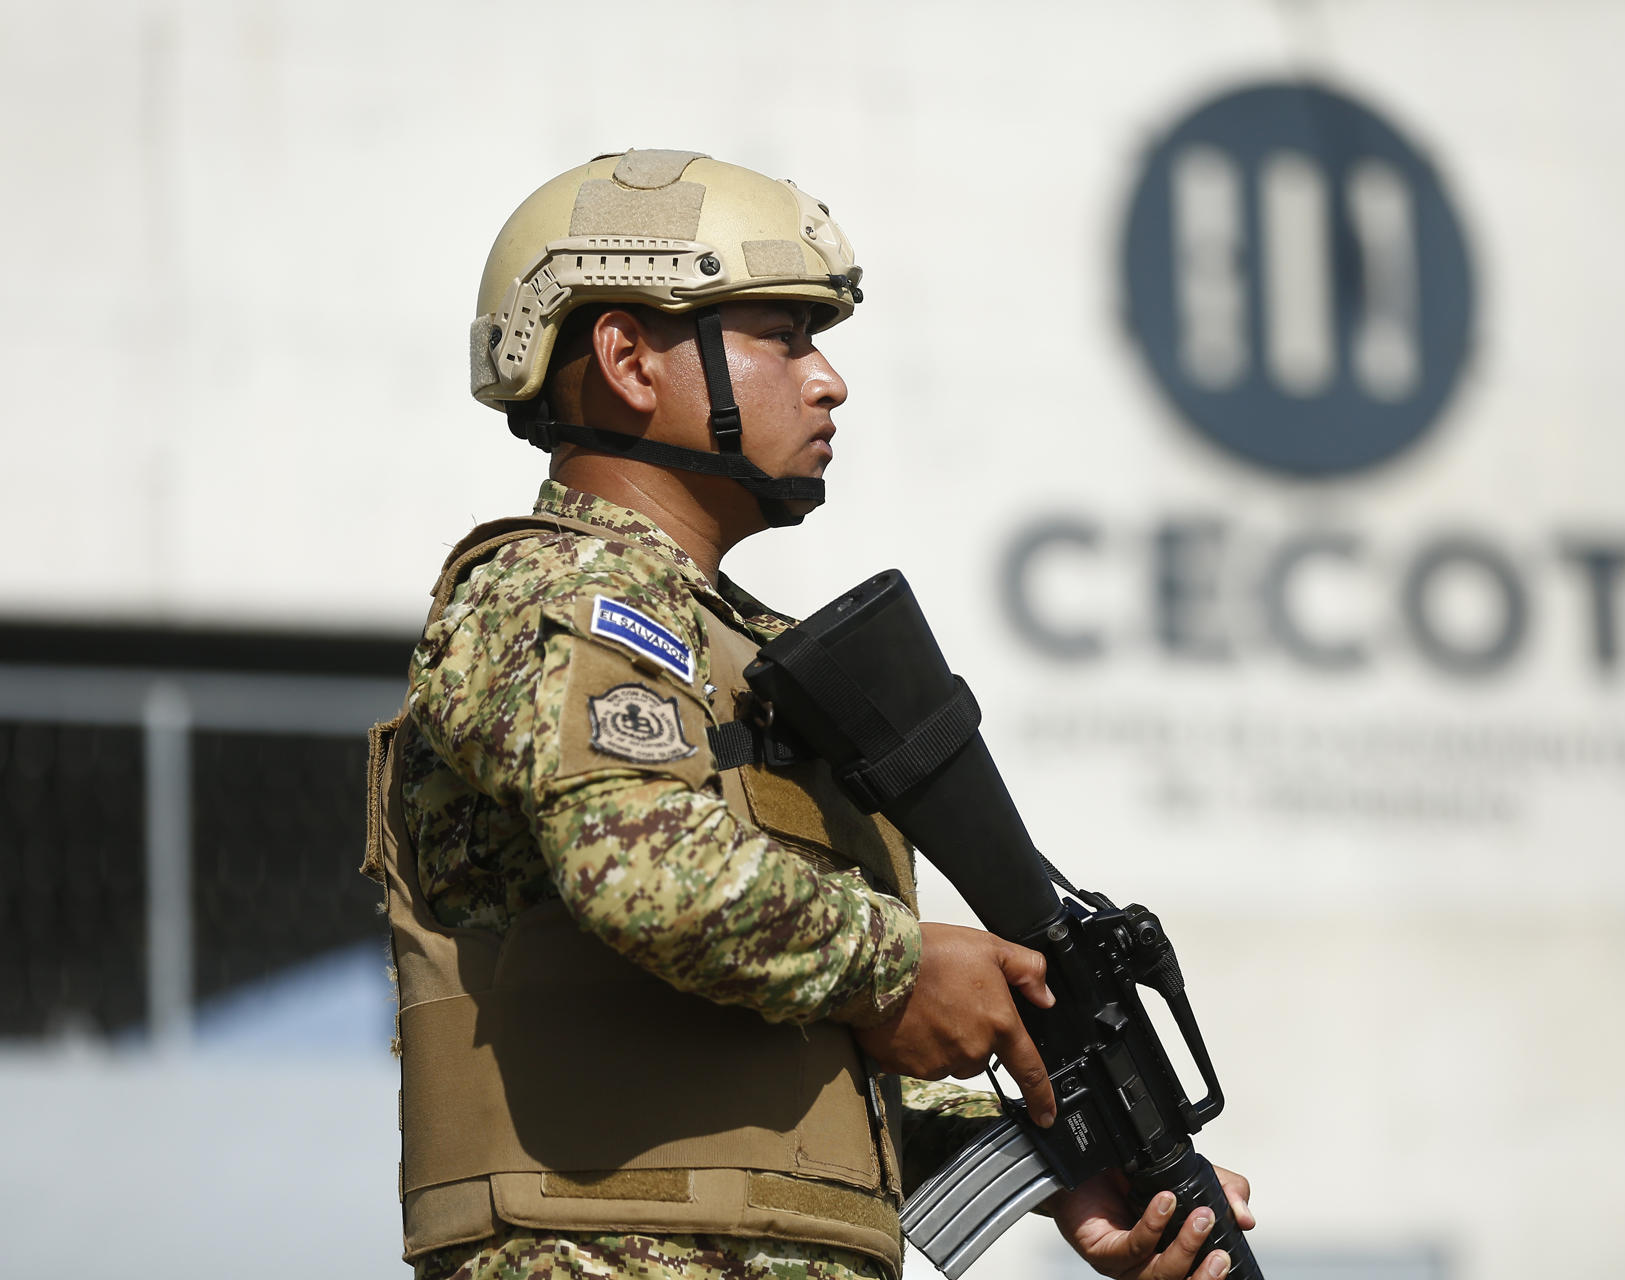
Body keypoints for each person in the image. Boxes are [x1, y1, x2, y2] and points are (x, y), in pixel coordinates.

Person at [364, 149, 1254, 1280]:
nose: (827, 380)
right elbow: (646, 873)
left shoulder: (746, 652)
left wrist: (1051, 1159)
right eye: (783, 337)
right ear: (628, 360)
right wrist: (905, 966)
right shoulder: (554, 594)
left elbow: (774, 1049)